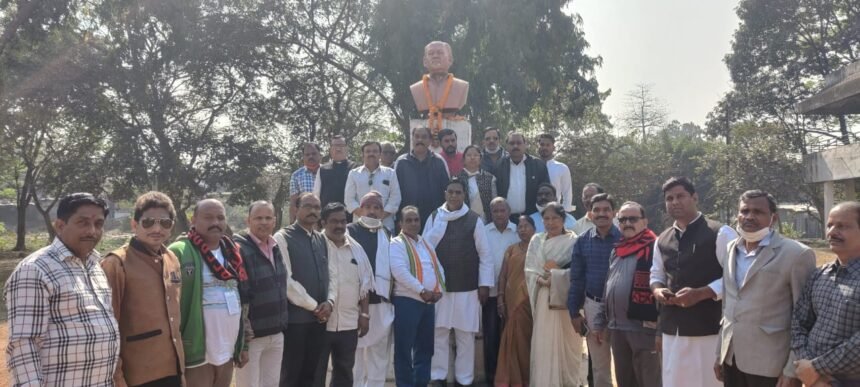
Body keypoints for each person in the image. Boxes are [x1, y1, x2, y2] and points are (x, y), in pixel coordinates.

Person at [5, 193, 119, 386]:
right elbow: (24, 347)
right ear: (60, 225)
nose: (92, 231)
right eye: (83, 222)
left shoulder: (95, 267)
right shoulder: (35, 270)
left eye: (98, 224)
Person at [714, 191, 815, 387]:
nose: (749, 216)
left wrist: (791, 370)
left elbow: (805, 317)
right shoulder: (731, 248)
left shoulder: (796, 254)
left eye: (758, 211)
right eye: (744, 211)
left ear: (773, 218)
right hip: (732, 358)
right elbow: (728, 306)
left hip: (770, 364)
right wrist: (720, 352)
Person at [650, 177, 737, 387]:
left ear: (695, 197)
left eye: (680, 196)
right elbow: (655, 276)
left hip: (708, 330)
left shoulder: (720, 233)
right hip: (673, 331)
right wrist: (658, 291)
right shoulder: (662, 239)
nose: (674, 202)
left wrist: (702, 293)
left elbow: (737, 280)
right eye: (669, 198)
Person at [101, 192, 184, 387]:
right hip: (136, 374)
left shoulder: (171, 258)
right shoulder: (116, 263)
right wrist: (117, 378)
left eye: (164, 222)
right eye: (148, 222)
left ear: (171, 225)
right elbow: (107, 328)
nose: (157, 228)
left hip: (173, 368)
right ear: (134, 224)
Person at [169, 198, 249, 387]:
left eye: (220, 218)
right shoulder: (179, 251)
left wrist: (242, 344)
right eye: (208, 217)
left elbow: (242, 301)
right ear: (193, 220)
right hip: (197, 353)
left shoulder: (233, 252)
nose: (215, 223)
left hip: (228, 350)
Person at [424, 178, 493, 387]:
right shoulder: (435, 217)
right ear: (445, 193)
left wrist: (484, 285)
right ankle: (438, 377)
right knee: (440, 333)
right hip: (440, 288)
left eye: (458, 193)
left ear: (464, 195)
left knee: (465, 336)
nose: (454, 196)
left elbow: (485, 255)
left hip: (468, 287)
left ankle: (465, 380)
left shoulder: (474, 219)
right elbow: (425, 251)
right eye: (451, 192)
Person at [791, 201, 860, 387]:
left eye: (842, 226)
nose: (832, 232)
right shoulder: (819, 274)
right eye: (830, 225)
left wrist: (817, 368)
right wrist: (811, 373)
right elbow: (798, 323)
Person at [595, 201, 662, 387]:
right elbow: (607, 285)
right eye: (622, 219)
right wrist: (600, 320)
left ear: (645, 221)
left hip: (645, 330)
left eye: (633, 219)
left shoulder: (656, 249)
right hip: (617, 329)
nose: (627, 223)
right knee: (625, 381)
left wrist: (660, 330)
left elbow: (665, 289)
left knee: (650, 381)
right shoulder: (617, 250)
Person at [274, 193, 335, 387]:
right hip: (296, 321)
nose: (313, 211)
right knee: (292, 374)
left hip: (320, 320)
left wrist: (330, 302)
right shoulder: (282, 237)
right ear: (295, 209)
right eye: (308, 206)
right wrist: (315, 306)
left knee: (313, 374)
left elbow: (333, 275)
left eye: (317, 208)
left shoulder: (322, 239)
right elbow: (286, 280)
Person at [526, 202, 588, 386]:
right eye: (546, 218)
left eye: (555, 218)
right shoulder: (536, 240)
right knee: (545, 343)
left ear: (563, 219)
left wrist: (556, 276)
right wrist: (543, 281)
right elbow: (530, 270)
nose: (550, 222)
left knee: (570, 342)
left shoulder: (575, 241)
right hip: (545, 297)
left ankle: (569, 382)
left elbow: (580, 271)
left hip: (568, 298)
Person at [233, 201, 290, 387]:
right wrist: (244, 341)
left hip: (276, 332)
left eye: (268, 218)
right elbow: (240, 295)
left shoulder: (275, 247)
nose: (263, 222)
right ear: (248, 220)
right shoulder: (239, 250)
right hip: (253, 338)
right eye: (258, 218)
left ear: (274, 221)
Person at [316, 203, 374, 387]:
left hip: (349, 323)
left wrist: (364, 314)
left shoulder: (356, 250)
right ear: (323, 222)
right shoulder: (316, 247)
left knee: (344, 373)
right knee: (317, 373)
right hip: (320, 323)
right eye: (334, 221)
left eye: (343, 221)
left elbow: (364, 284)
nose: (339, 226)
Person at [568, 192, 621, 387]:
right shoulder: (583, 240)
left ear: (614, 213)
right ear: (590, 214)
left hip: (622, 310)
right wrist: (574, 312)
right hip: (594, 306)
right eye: (596, 210)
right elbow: (576, 277)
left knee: (624, 363)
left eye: (606, 209)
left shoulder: (625, 238)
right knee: (599, 365)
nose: (601, 214)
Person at [390, 206, 445, 387]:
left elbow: (437, 267)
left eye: (416, 220)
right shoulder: (397, 243)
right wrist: (421, 290)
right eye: (409, 220)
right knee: (404, 349)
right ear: (401, 223)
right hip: (407, 301)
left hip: (428, 303)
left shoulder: (425, 243)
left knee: (425, 348)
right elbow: (400, 272)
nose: (413, 223)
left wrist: (439, 290)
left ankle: (421, 383)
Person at [349, 192, 395, 387]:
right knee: (355, 352)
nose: (372, 211)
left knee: (379, 352)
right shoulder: (349, 231)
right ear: (361, 209)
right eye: (368, 207)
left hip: (382, 301)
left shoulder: (387, 233)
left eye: (377, 207)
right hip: (355, 302)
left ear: (382, 211)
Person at [494, 214, 537, 387]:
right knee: (512, 340)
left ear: (534, 229)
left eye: (526, 226)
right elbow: (503, 276)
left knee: (529, 340)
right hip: (512, 302)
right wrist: (500, 299)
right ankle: (512, 380)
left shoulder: (540, 248)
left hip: (531, 302)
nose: (523, 229)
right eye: (520, 226)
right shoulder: (511, 249)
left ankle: (529, 379)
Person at [481, 197, 520, 384]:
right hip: (490, 293)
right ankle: (492, 378)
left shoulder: (518, 232)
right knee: (491, 337)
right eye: (495, 211)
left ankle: (511, 377)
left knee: (511, 337)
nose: (499, 214)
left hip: (513, 294)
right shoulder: (483, 231)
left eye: (502, 210)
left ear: (509, 211)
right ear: (491, 213)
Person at [395, 127, 450, 232]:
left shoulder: (439, 161)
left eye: (424, 137)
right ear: (412, 139)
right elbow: (395, 193)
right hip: (408, 220)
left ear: (430, 140)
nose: (420, 140)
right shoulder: (401, 162)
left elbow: (447, 191)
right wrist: (399, 219)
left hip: (434, 220)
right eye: (417, 137)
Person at [345, 141, 401, 231]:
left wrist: (380, 216)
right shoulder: (353, 174)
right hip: (360, 225)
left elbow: (395, 198)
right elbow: (349, 200)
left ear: (380, 154)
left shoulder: (390, 173)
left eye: (375, 151)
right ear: (362, 155)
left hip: (385, 224)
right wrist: (366, 216)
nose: (371, 154)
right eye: (368, 151)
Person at [495, 132, 550, 222]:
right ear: (507, 146)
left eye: (519, 143)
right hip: (506, 220)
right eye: (512, 143)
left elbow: (546, 192)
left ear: (525, 145)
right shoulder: (499, 166)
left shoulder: (538, 165)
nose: (515, 146)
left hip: (532, 218)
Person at [457, 145, 497, 222]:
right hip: (464, 221)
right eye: (469, 155)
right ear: (464, 159)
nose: (472, 158)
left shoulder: (490, 178)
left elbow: (494, 202)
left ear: (480, 159)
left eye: (475, 155)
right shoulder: (457, 179)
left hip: (486, 221)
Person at [537, 133, 574, 213]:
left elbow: (567, 193)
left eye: (548, 145)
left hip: (555, 212)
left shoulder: (562, 168)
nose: (544, 147)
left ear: (553, 147)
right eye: (542, 144)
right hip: (534, 211)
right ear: (538, 147)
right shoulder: (531, 166)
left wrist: (565, 213)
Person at [319, 135, 358, 211]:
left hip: (350, 214)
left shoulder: (356, 168)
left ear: (347, 149)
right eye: (335, 146)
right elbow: (316, 195)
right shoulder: (322, 169)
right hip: (327, 216)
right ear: (330, 150)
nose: (338, 149)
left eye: (341, 146)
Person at [290, 142, 323, 224]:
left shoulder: (328, 172)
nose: (310, 156)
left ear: (320, 155)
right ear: (303, 157)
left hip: (324, 220)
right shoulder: (296, 175)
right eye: (307, 154)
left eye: (314, 153)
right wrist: (292, 224)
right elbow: (294, 203)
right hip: (305, 219)